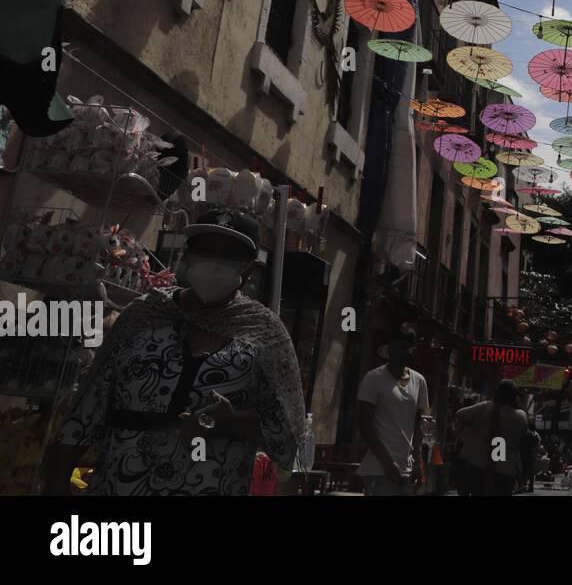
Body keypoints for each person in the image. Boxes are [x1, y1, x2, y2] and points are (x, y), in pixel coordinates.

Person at [42, 209, 305, 495]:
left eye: (229, 254)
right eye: (206, 249)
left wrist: (231, 422)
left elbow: (289, 432)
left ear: (249, 268)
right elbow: (87, 411)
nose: (215, 262)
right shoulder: (143, 315)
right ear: (187, 254)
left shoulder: (263, 333)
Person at [357, 325, 428, 496]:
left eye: (404, 348)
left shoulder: (419, 381)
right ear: (389, 349)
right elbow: (364, 424)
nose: (398, 352)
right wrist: (387, 462)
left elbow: (418, 424)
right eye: (395, 347)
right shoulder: (374, 378)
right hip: (379, 470)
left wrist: (418, 462)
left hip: (407, 470)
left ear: (412, 350)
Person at [456, 380, 529, 496]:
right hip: (507, 469)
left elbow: (460, 414)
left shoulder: (486, 408)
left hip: (482, 465)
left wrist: (476, 426)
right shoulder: (521, 416)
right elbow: (522, 437)